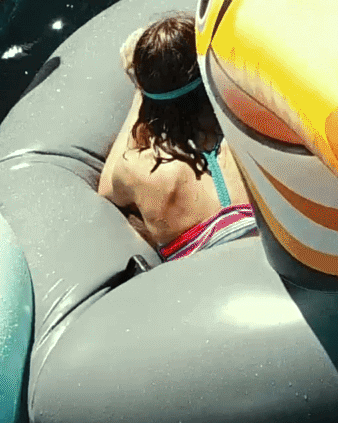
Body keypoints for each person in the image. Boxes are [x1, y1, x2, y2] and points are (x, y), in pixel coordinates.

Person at [98, 14, 258, 261]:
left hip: (201, 278)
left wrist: (140, 92)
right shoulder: (254, 138)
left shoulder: (138, 169)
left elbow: (107, 189)